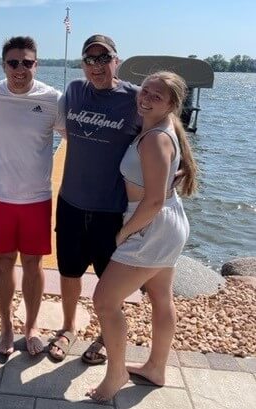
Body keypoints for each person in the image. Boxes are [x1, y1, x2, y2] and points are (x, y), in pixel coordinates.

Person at [87, 70, 196, 401]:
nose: (146, 98)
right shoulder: (163, 130)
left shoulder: (156, 138)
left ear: (172, 105)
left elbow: (153, 200)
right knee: (161, 295)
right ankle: (156, 368)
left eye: (156, 96)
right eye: (144, 91)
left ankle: (116, 373)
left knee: (104, 301)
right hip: (169, 222)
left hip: (150, 225)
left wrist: (123, 234)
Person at [48, 34, 142, 362]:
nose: (97, 66)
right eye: (90, 59)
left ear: (117, 61)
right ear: (82, 64)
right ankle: (69, 326)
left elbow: (163, 136)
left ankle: (107, 333)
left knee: (109, 278)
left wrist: (170, 179)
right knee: (69, 271)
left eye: (104, 58)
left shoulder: (135, 98)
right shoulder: (74, 91)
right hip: (71, 202)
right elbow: (54, 125)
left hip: (111, 209)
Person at [0, 36, 65, 356]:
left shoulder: (53, 98)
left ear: (36, 64)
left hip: (37, 199)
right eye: (13, 63)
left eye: (27, 62)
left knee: (33, 264)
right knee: (3, 263)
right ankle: (5, 329)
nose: (20, 69)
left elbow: (80, 138)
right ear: (3, 65)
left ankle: (30, 328)